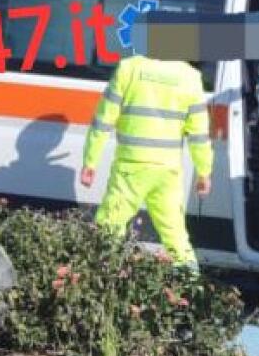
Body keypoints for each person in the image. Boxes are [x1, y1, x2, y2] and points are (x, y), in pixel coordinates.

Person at [79, 54, 212, 266]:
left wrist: (90, 160)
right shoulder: (191, 77)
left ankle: (98, 284)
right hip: (167, 172)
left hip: (131, 169)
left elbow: (104, 119)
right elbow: (199, 134)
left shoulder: (128, 68)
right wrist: (204, 171)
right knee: (176, 238)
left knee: (108, 231)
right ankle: (191, 289)